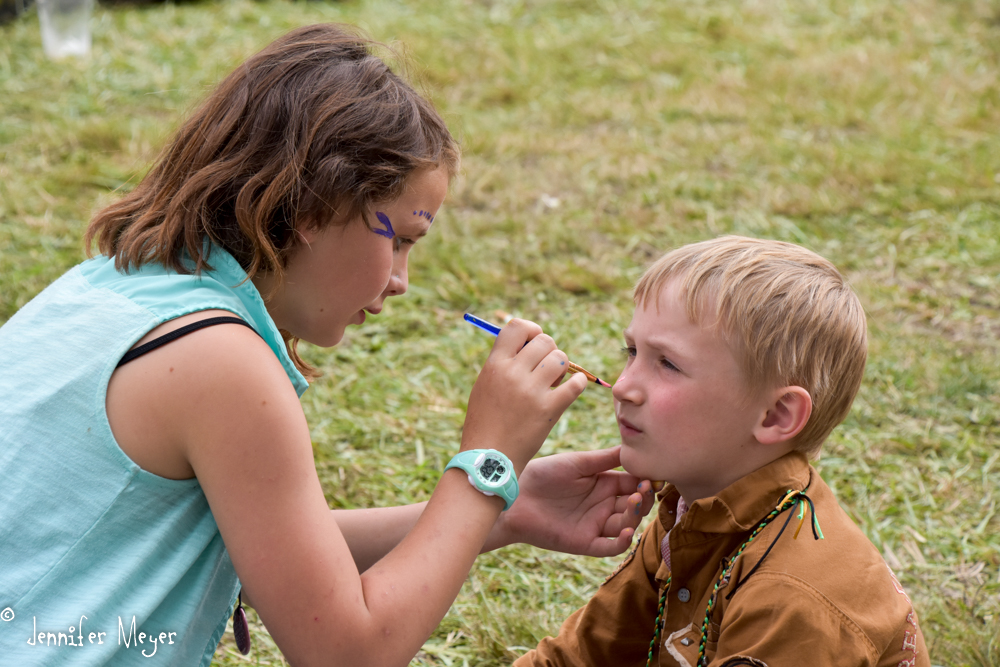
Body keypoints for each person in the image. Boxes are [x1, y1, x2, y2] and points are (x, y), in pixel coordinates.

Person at [0, 24, 659, 666]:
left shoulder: (114, 286)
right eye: (398, 238)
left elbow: (276, 551)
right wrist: (487, 465)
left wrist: (507, 514)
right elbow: (347, 650)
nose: (401, 280)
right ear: (315, 205)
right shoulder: (221, 364)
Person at [514, 236, 930, 667]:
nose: (622, 387)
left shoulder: (790, 597)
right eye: (633, 351)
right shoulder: (693, 509)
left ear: (775, 415)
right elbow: (582, 657)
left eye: (668, 364)